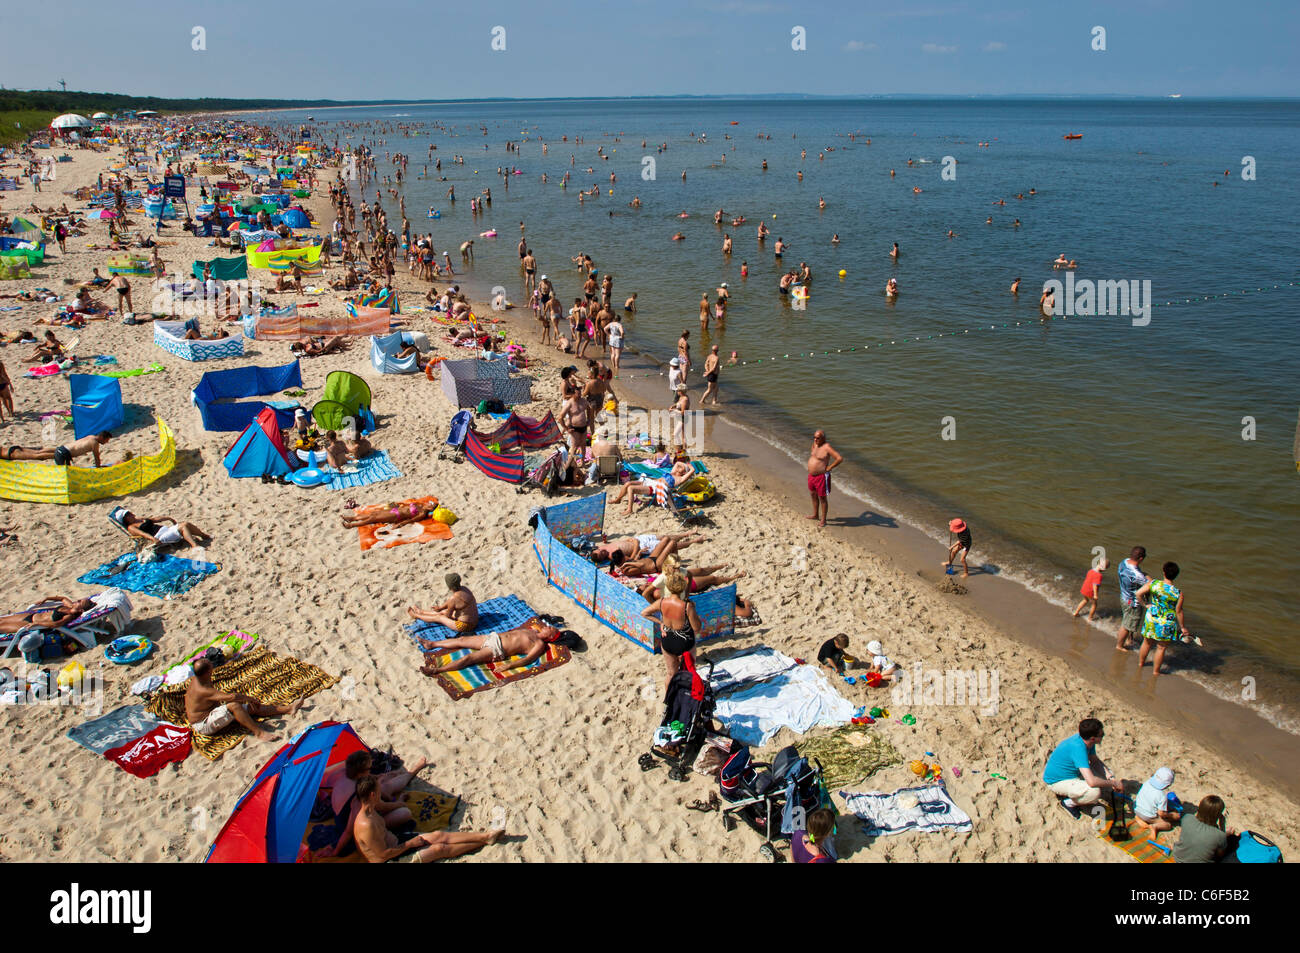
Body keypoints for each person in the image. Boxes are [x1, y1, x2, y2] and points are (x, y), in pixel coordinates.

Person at [351, 775, 505, 863]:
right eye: (378, 790)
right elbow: (383, 854)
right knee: (440, 848)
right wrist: (410, 843)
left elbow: (385, 806)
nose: (381, 792)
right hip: (392, 859)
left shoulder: (371, 808)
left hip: (398, 843)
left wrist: (401, 802)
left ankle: (485, 836)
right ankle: (484, 841)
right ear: (372, 795)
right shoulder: (366, 824)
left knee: (439, 835)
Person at [316, 749, 431, 857]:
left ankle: (410, 773)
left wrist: (380, 777)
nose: (370, 770)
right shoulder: (357, 797)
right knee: (404, 813)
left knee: (384, 783)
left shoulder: (346, 774)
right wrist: (400, 803)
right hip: (356, 826)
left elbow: (369, 780)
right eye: (369, 769)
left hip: (346, 816)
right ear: (360, 773)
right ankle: (412, 772)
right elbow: (381, 808)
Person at [184, 656, 302, 742]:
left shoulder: (198, 679)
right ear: (207, 672)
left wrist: (249, 702)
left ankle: (288, 709)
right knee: (234, 705)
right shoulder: (203, 689)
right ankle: (259, 733)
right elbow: (231, 697)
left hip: (212, 712)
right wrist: (250, 698)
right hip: (202, 724)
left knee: (250, 708)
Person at [1041, 718, 1124, 815]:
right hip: (1056, 782)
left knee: (1107, 774)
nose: (1103, 736)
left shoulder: (1087, 741)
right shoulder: (1078, 748)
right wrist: (1113, 783)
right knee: (1094, 792)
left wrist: (1111, 778)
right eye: (1101, 735)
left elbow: (1095, 761)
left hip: (1072, 773)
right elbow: (1092, 782)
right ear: (1093, 738)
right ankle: (1068, 803)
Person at [418, 623, 564, 677]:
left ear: (550, 636)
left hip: (497, 649)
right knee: (461, 640)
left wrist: (510, 665)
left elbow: (528, 659)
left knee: (468, 659)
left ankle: (437, 670)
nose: (547, 626)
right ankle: (432, 644)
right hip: (493, 637)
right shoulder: (533, 629)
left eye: (550, 628)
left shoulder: (539, 644)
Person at [641, 564, 702, 690]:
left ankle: (668, 701)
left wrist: (660, 623)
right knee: (690, 671)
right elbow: (697, 628)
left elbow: (644, 613)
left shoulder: (662, 602)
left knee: (670, 673)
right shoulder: (687, 606)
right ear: (682, 587)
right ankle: (688, 698)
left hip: (668, 640)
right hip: (685, 642)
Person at [1135, 562, 1190, 676]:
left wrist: (1145, 605)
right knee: (1161, 648)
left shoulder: (1154, 584)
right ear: (1176, 575)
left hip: (1152, 618)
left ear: (1164, 572)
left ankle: (1141, 664)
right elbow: (1178, 611)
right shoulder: (1178, 593)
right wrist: (1183, 627)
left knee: (1147, 643)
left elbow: (1138, 593)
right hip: (1167, 622)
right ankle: (1156, 672)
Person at [1172, 795, 1233, 863]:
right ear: (1218, 815)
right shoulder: (1220, 835)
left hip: (1178, 857)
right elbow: (1220, 854)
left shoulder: (1187, 818)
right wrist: (1222, 828)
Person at [408, 573, 479, 632]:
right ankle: (421, 612)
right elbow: (451, 602)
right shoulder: (465, 589)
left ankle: (416, 615)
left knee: (439, 617)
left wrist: (440, 612)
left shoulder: (453, 599)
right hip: (475, 620)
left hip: (465, 626)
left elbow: (447, 616)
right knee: (443, 611)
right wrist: (440, 608)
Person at [0, 596, 94, 635]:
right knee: (1, 620)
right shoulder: (70, 606)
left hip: (31, 623)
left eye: (79, 602)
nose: (77, 600)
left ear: (81, 609)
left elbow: (56, 624)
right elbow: (62, 598)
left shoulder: (69, 616)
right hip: (31, 615)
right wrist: (46, 599)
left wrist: (37, 623)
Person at [806, 430, 843, 527]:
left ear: (823, 438)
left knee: (822, 498)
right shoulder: (814, 444)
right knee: (813, 495)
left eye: (818, 438)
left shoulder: (827, 447)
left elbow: (839, 458)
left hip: (821, 477)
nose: (815, 439)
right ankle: (815, 514)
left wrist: (830, 467)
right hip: (811, 476)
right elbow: (813, 454)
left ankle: (823, 519)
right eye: (814, 437)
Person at [1115, 546, 1149, 651]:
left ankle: (1129, 639)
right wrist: (1147, 575)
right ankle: (1119, 645)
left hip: (1124, 596)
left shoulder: (1124, 562)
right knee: (1126, 625)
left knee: (1129, 621)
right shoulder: (1137, 575)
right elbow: (1149, 585)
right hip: (1132, 602)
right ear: (1141, 559)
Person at [121, 511, 212, 549]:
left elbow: (154, 519)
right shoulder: (131, 527)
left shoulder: (139, 519)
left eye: (129, 513)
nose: (131, 515)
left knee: (186, 523)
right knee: (183, 527)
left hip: (165, 530)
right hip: (160, 537)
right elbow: (143, 534)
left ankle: (203, 535)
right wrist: (153, 539)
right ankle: (194, 545)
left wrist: (168, 518)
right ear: (126, 519)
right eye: (128, 515)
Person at [1132, 767, 1179, 837]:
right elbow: (1161, 813)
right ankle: (1155, 827)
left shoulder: (1147, 782)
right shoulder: (1162, 795)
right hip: (1148, 816)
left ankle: (1138, 817)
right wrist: (1171, 815)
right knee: (1168, 825)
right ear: (1168, 785)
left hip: (1136, 809)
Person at [342, 500, 437, 529]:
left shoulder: (422, 513)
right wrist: (393, 505)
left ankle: (351, 525)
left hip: (396, 516)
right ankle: (352, 518)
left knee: (373, 518)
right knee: (373, 513)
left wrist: (400, 524)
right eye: (430, 502)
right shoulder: (420, 505)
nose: (429, 504)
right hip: (395, 510)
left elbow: (411, 520)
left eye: (432, 505)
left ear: (432, 509)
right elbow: (405, 506)